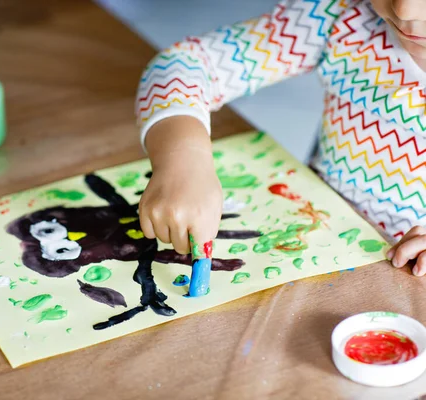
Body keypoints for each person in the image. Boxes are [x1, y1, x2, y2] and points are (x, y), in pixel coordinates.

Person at [135, 0, 426, 274]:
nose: (404, 10)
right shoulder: (342, 13)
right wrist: (184, 161)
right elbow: (182, 65)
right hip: (315, 243)